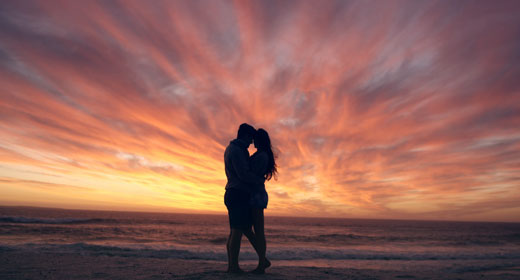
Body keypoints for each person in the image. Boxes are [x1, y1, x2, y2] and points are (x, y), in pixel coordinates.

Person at [223, 123, 264, 274]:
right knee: (237, 232)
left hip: (232, 192)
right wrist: (259, 180)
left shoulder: (231, 148)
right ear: (245, 136)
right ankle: (233, 267)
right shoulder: (238, 150)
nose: (251, 143)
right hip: (238, 193)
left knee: (235, 230)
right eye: (251, 140)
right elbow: (243, 174)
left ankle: (232, 265)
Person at [247, 128, 277, 274]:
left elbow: (253, 175)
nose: (253, 141)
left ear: (261, 140)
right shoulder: (260, 154)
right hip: (254, 194)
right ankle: (263, 261)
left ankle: (261, 264)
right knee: (249, 228)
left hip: (257, 195)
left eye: (256, 139)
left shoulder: (262, 156)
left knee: (258, 231)